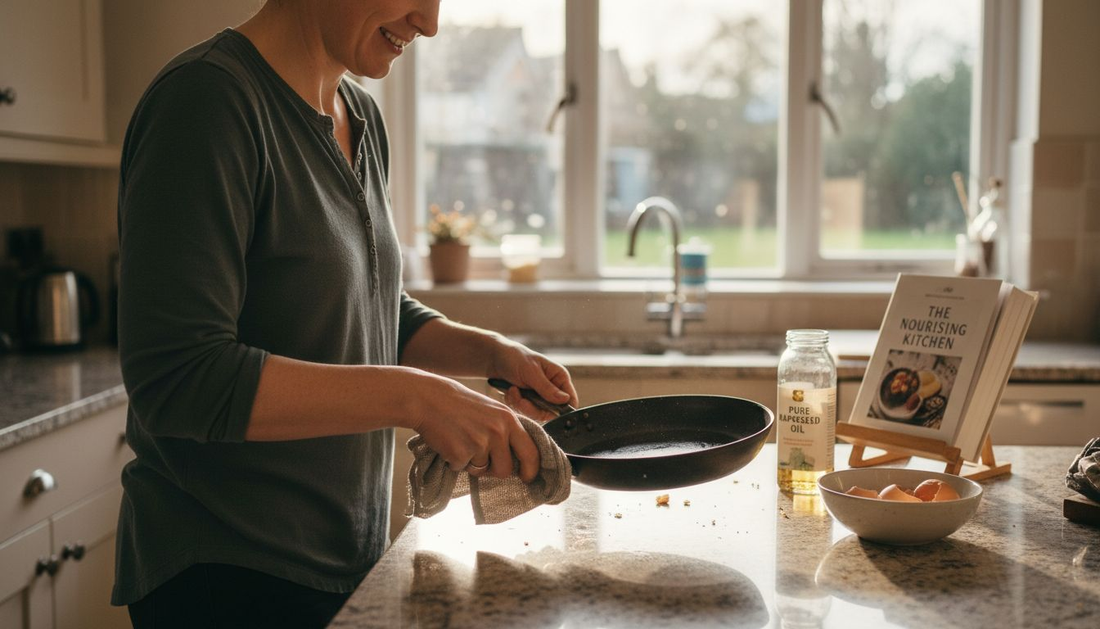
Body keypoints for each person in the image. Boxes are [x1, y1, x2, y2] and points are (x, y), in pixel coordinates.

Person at [111, 1, 579, 627]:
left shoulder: (360, 115)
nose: (430, 22)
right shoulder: (206, 102)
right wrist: (417, 399)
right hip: (224, 576)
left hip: (344, 561)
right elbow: (178, 377)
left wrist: (490, 354)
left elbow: (368, 306)